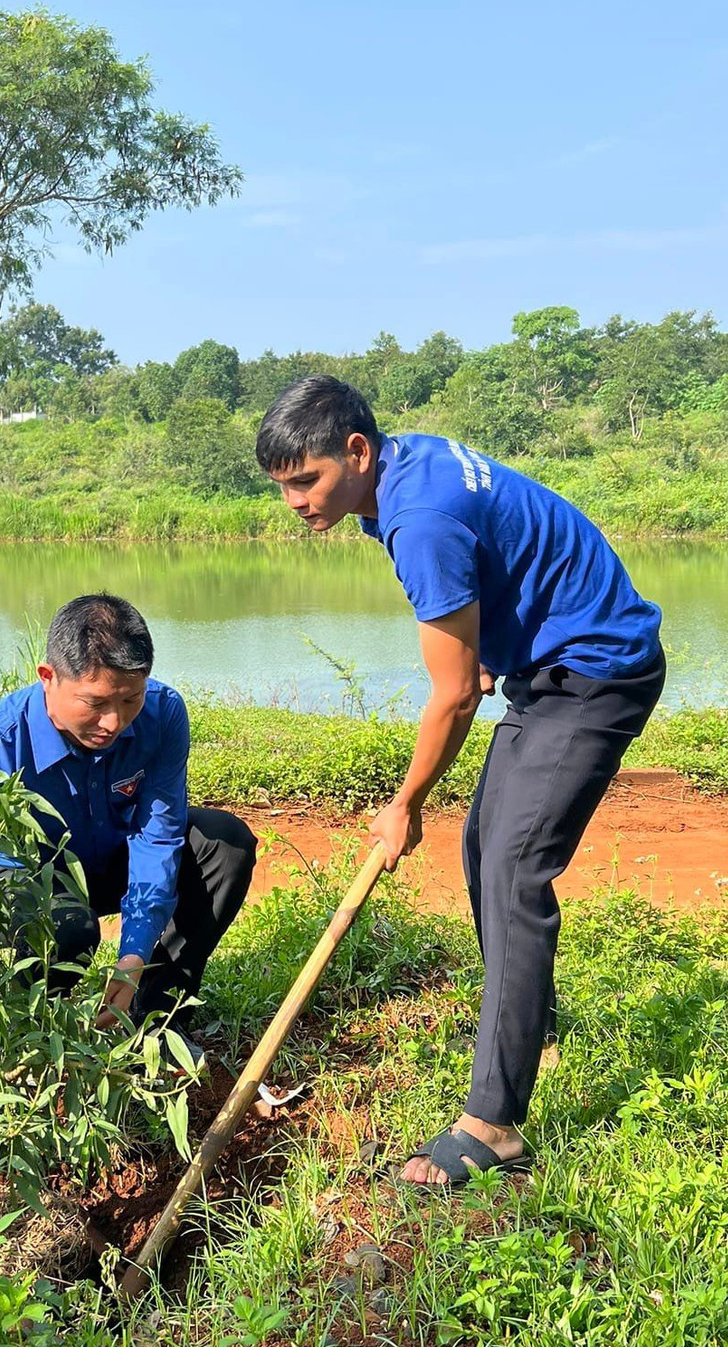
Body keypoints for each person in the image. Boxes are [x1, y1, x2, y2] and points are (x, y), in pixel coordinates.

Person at [256, 377, 665, 1191]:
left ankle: (494, 1121)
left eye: (306, 480)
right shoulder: (407, 468)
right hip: (545, 666)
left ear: (356, 452)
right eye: (284, 488)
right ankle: (530, 1022)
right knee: (485, 846)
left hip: (594, 671)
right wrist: (481, 649)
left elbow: (449, 696)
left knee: (516, 867)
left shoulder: (419, 517)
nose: (296, 501)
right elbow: (491, 567)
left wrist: (402, 803)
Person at [0, 592, 257, 1059]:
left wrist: (132, 956)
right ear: (48, 677)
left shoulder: (163, 714)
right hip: (37, 879)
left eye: (130, 698)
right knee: (68, 925)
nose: (113, 722)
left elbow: (159, 834)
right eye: (96, 702)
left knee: (224, 845)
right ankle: (35, 1036)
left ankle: (154, 1021)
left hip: (114, 862)